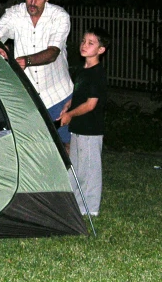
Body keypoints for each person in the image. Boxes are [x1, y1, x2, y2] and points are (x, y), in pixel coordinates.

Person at [0, 0, 74, 148]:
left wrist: (26, 61)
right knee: (30, 145)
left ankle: (65, 176)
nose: (32, 1)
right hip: (27, 95)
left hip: (57, 94)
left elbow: (53, 53)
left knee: (64, 144)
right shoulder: (14, 14)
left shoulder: (59, 17)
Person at [58, 26, 110, 217]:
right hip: (78, 128)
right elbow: (80, 94)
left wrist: (70, 115)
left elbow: (90, 104)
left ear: (101, 50)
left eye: (91, 43)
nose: (84, 45)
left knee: (90, 170)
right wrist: (68, 106)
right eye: (83, 41)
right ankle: (75, 206)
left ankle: (91, 209)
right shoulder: (83, 70)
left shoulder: (97, 73)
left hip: (91, 130)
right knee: (75, 168)